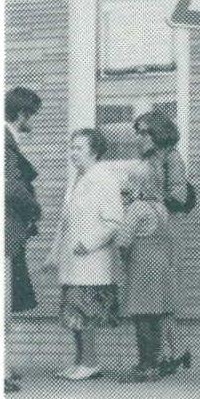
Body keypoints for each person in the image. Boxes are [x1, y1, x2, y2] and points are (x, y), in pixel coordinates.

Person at [46, 128, 123, 381]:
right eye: (72, 147)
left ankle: (90, 363)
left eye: (78, 148)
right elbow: (65, 223)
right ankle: (80, 362)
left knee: (84, 313)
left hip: (91, 260)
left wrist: (87, 244)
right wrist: (54, 253)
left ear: (94, 151)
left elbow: (114, 221)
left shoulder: (104, 178)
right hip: (74, 261)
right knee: (73, 313)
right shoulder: (78, 179)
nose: (73, 152)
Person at [135, 111, 192, 376]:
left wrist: (149, 198)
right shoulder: (149, 159)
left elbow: (179, 196)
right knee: (157, 295)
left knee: (163, 293)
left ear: (158, 133)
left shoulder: (172, 157)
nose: (139, 137)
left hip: (167, 232)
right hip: (152, 231)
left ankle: (170, 353)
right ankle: (171, 352)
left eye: (144, 132)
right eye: (138, 132)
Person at [116, 163, 176, 383]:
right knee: (155, 315)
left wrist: (124, 261)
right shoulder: (160, 208)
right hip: (160, 265)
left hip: (141, 266)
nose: (125, 184)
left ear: (137, 183)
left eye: (129, 180)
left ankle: (145, 365)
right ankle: (155, 363)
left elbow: (123, 241)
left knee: (141, 315)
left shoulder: (137, 208)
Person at [5, 87, 43, 392]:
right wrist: (35, 208)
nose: (32, 122)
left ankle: (3, 365)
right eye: (32, 116)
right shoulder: (4, 142)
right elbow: (9, 186)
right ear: (21, 114)